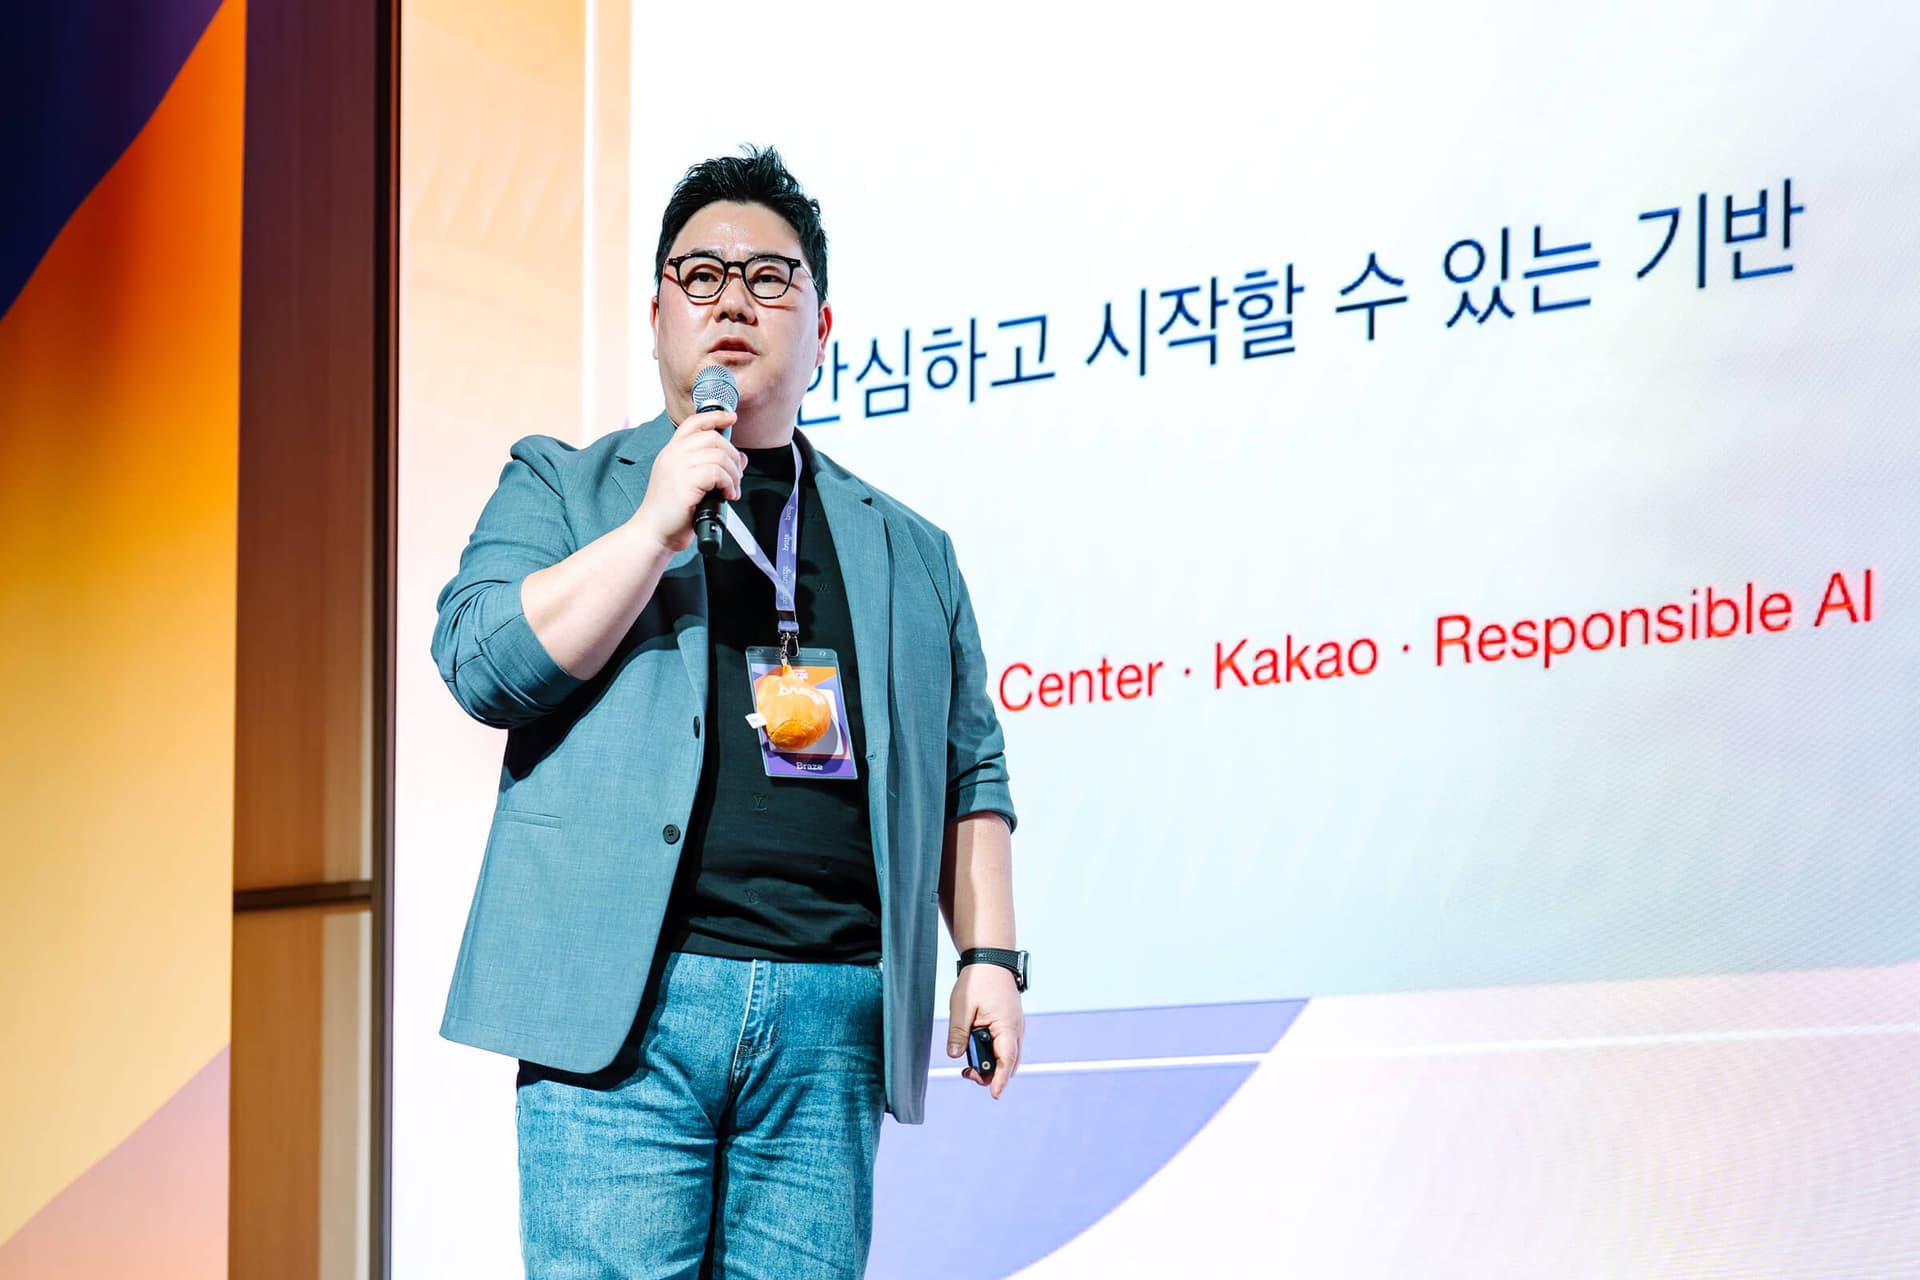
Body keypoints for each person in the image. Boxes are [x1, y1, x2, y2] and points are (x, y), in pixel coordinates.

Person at [431, 145, 1028, 1278]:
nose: (733, 301)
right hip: (622, 1009)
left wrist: (989, 955)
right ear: (656, 314)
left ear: (823, 322)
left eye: (770, 277)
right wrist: (653, 524)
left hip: (831, 1009)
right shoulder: (564, 485)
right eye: (700, 276)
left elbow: (969, 770)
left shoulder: (909, 546)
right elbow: (483, 660)